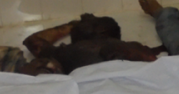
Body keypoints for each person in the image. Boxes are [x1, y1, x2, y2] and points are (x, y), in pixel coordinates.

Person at [23, 13, 165, 74]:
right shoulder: (137, 48)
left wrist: (69, 26)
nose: (85, 17)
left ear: (101, 30)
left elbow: (33, 41)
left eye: (87, 21)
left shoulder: (72, 51)